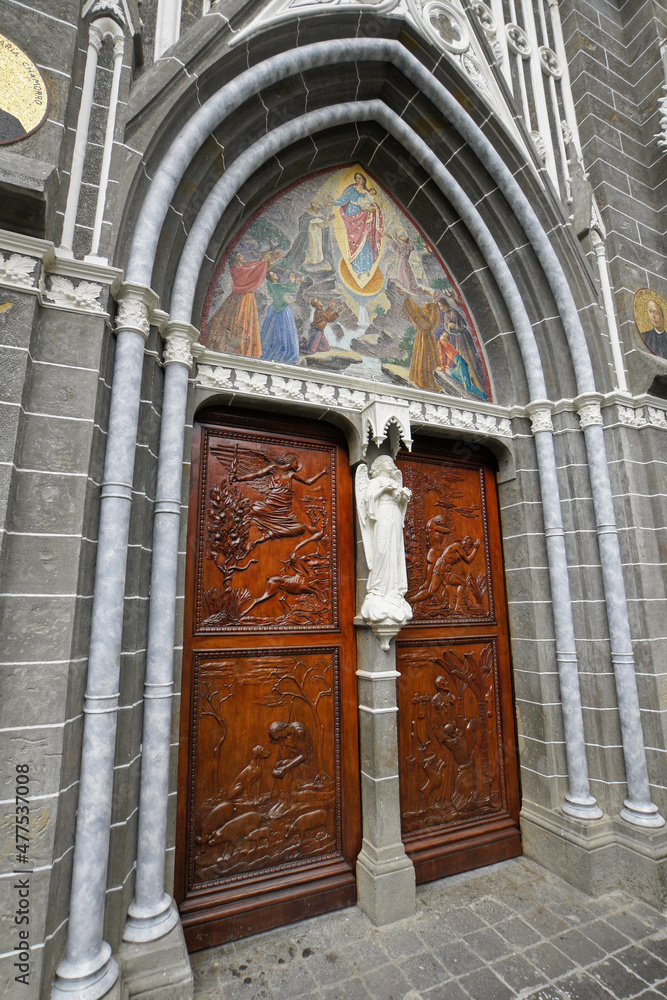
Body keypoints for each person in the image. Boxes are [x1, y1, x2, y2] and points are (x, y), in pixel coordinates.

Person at [204, 250, 280, 356]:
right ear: (235, 259)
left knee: (246, 323)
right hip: (240, 298)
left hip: (247, 298)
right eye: (240, 255)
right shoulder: (235, 269)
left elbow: (253, 267)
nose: (243, 257)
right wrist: (264, 261)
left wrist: (267, 261)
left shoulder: (245, 267)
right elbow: (250, 272)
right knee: (236, 321)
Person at [333, 172, 383, 276]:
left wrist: (373, 209)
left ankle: (367, 268)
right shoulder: (352, 189)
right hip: (353, 218)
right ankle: (358, 269)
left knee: (365, 240)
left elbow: (373, 205)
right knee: (354, 241)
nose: (358, 180)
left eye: (360, 178)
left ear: (364, 180)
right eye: (356, 178)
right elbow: (344, 199)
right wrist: (333, 203)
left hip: (364, 218)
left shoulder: (368, 193)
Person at [398, 289, 441, 393]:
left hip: (422, 338)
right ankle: (429, 380)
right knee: (429, 358)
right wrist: (434, 300)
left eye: (425, 303)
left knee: (422, 356)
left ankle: (421, 380)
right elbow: (434, 310)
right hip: (429, 339)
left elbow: (414, 309)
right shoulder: (430, 318)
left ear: (426, 308)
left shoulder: (423, 315)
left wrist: (406, 297)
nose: (424, 302)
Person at [259, 270, 305, 364]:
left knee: (272, 331)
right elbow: (292, 290)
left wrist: (291, 282)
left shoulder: (270, 285)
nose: (276, 275)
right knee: (286, 331)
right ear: (270, 278)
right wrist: (296, 282)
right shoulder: (277, 286)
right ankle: (285, 350)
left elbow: (283, 288)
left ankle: (271, 348)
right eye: (273, 275)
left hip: (273, 308)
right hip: (282, 309)